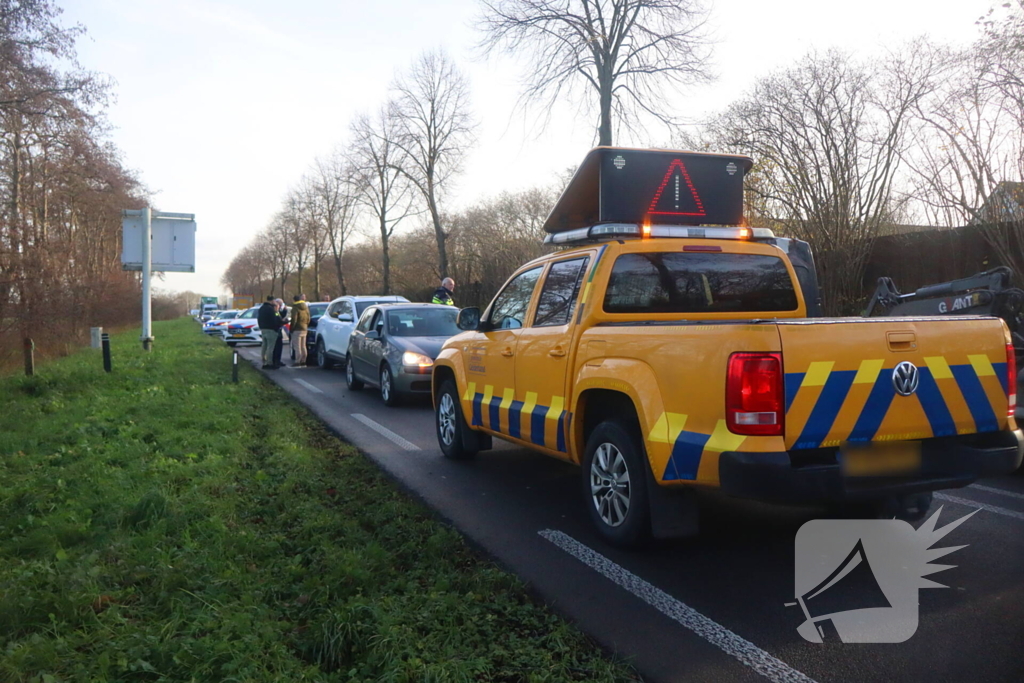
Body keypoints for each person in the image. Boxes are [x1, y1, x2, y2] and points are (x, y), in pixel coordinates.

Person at [257, 296, 282, 369]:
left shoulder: (261, 308)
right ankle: (269, 363)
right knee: (270, 347)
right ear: (272, 301)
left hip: (263, 329)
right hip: (271, 330)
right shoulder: (271, 309)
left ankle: (264, 362)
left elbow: (259, 318)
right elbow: (275, 319)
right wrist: (276, 327)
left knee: (264, 346)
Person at [289, 294, 310, 366]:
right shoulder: (305, 307)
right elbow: (308, 318)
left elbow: (294, 319)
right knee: (303, 345)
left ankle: (297, 361)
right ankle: (304, 360)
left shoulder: (295, 308)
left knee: (297, 346)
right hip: (305, 328)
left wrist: (291, 328)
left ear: (294, 300)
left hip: (297, 328)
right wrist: (306, 324)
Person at [272, 298, 289, 368]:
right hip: (276, 331)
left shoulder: (277, 312)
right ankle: (275, 361)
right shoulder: (274, 312)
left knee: (279, 347)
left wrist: (285, 310)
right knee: (276, 347)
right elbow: (278, 320)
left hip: (278, 331)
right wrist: (285, 322)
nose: (280, 306)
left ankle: (278, 361)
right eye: (280, 305)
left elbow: (281, 316)